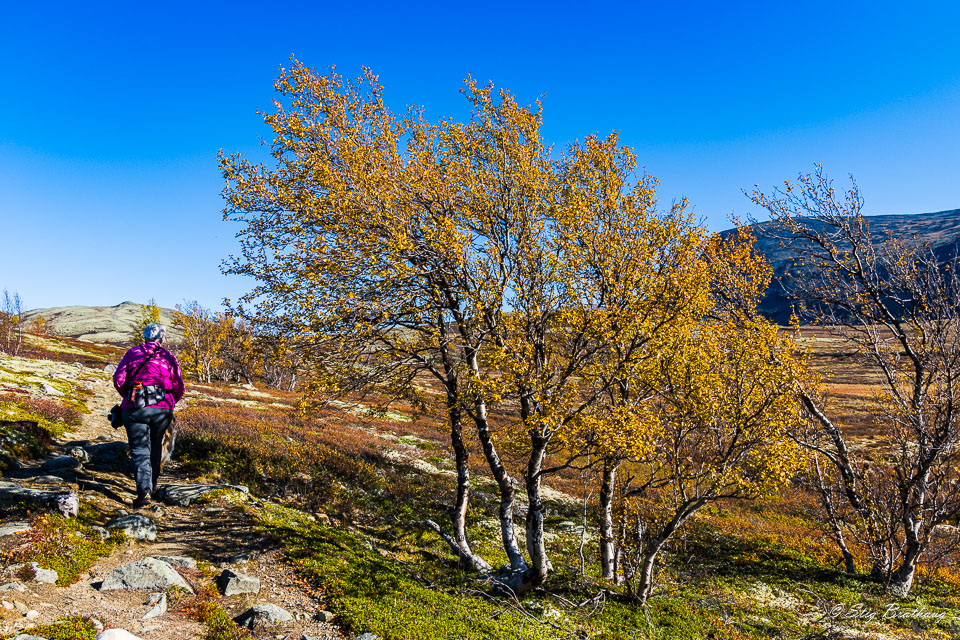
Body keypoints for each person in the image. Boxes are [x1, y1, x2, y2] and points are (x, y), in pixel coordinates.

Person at [113, 322, 185, 507]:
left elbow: (118, 379)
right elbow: (179, 387)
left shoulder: (132, 353)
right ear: (163, 338)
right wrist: (168, 401)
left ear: (145, 337)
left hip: (135, 408)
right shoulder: (169, 357)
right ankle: (152, 486)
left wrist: (129, 397)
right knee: (155, 446)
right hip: (162, 410)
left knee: (139, 450)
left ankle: (144, 492)